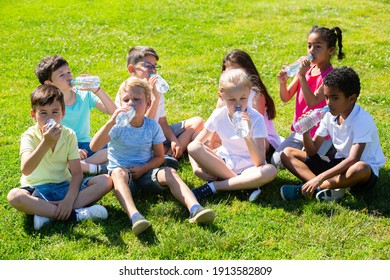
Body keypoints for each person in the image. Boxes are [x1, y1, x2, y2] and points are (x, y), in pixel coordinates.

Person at [91, 77, 215, 235]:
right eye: (126, 100)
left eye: (137, 99)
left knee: (170, 171)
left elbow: (159, 157)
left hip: (146, 173)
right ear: (120, 104)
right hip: (123, 177)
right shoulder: (117, 126)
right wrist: (110, 122)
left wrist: (143, 169)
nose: (131, 103)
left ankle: (195, 208)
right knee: (117, 172)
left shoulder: (152, 126)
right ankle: (135, 217)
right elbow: (94, 146)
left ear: (148, 104)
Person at [7, 85, 112, 230]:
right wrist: (46, 143)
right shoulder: (29, 136)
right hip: (37, 188)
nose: (49, 118)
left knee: (105, 181)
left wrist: (69, 199)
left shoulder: (69, 135)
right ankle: (76, 214)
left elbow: (76, 173)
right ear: (33, 114)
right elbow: (26, 169)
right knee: (15, 196)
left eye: (55, 112)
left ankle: (46, 211)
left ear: (63, 113)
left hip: (64, 185)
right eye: (43, 113)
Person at [280, 67, 386, 202]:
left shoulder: (362, 120)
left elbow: (353, 159)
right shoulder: (328, 115)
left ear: (352, 98)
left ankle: (308, 189)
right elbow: (312, 151)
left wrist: (320, 178)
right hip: (338, 164)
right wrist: (306, 130)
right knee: (287, 153)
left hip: (358, 170)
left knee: (360, 168)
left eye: (335, 98)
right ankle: (331, 188)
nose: (329, 103)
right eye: (326, 97)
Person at [188, 69, 277, 202]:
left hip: (250, 168)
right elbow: (196, 143)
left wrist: (246, 135)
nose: (238, 104)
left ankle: (215, 187)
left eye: (243, 98)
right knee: (193, 147)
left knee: (270, 171)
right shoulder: (218, 115)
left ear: (249, 94)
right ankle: (245, 185)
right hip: (224, 164)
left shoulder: (256, 119)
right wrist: (196, 169)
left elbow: (259, 161)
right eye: (231, 99)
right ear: (221, 96)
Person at [114, 46, 204, 168]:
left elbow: (162, 121)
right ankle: (164, 156)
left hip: (155, 133)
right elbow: (142, 126)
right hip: (138, 139)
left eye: (155, 66)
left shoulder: (156, 87)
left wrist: (174, 140)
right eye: (148, 66)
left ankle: (168, 154)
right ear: (132, 69)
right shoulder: (127, 93)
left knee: (197, 122)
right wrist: (155, 99)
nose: (153, 71)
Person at [272, 25, 346, 167]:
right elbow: (286, 97)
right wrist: (283, 82)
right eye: (309, 46)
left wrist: (301, 76)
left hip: (320, 134)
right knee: (276, 161)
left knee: (309, 163)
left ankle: (329, 151)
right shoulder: (306, 71)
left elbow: (312, 102)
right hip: (301, 129)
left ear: (330, 50)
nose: (312, 51)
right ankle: (320, 153)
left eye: (317, 47)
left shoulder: (330, 76)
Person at [35, 55, 117, 174]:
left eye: (68, 72)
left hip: (86, 146)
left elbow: (114, 112)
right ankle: (87, 166)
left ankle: (81, 165)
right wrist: (70, 150)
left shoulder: (84, 95)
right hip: (61, 145)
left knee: (114, 147)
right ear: (49, 83)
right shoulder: (49, 105)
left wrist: (97, 90)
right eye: (61, 75)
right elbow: (48, 134)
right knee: (55, 156)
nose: (68, 76)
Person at [212, 49, 282, 159]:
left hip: (258, 136)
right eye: (227, 71)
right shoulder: (224, 96)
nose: (232, 75)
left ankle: (226, 155)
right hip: (233, 135)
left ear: (247, 71)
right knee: (214, 137)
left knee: (260, 143)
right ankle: (225, 155)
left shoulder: (257, 96)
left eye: (236, 70)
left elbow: (256, 127)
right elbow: (216, 124)